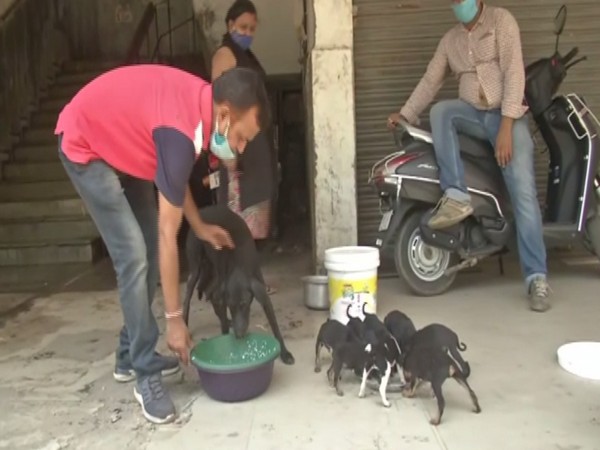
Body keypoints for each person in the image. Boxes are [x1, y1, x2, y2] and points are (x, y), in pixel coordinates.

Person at [55, 64, 270, 424]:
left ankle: (128, 353)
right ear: (224, 115)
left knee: (148, 250)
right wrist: (174, 320)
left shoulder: (200, 112)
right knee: (135, 255)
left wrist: (199, 225)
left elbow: (173, 177)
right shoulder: (180, 131)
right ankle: (144, 371)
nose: (241, 147)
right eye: (241, 137)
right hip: (86, 145)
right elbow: (170, 234)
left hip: (125, 145)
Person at [387, 0, 550, 312]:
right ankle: (456, 193)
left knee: (524, 196)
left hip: (507, 116)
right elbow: (430, 80)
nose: (458, 5)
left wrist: (506, 125)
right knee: (442, 111)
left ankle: (536, 277)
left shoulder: (501, 21)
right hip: (472, 115)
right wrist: (405, 114)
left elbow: (515, 73)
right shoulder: (451, 40)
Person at [210, 0, 279, 294]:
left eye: (252, 28)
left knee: (252, 225)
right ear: (229, 25)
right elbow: (221, 108)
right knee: (238, 223)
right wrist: (228, 153)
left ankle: (250, 280)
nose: (248, 33)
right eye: (243, 27)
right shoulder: (226, 54)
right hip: (239, 155)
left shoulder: (245, 54)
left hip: (255, 150)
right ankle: (236, 283)